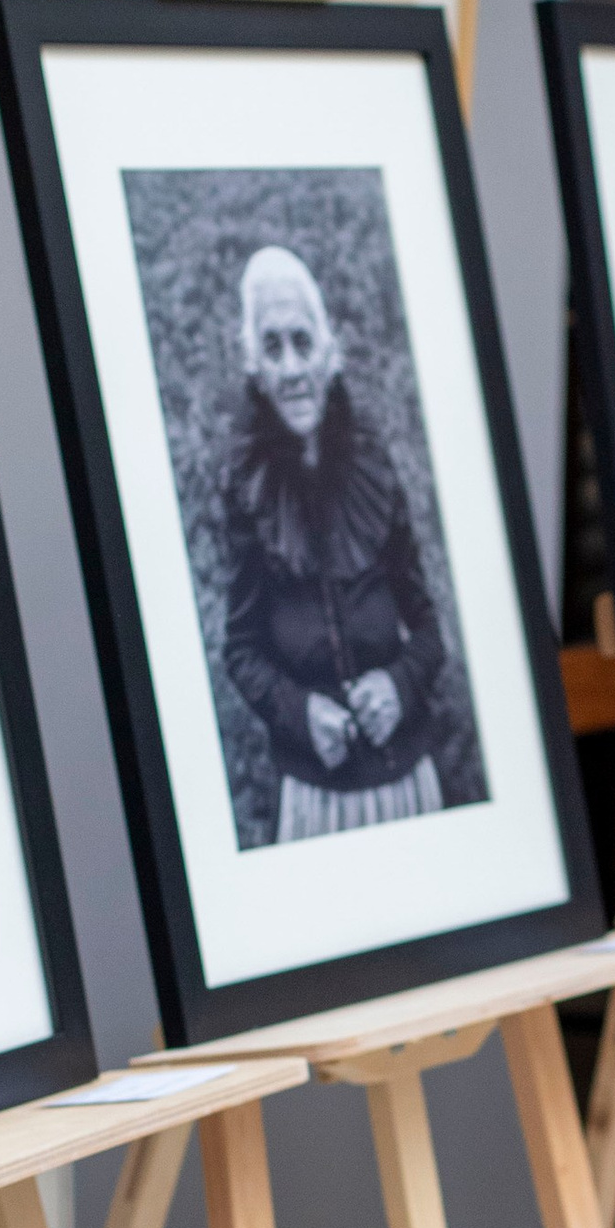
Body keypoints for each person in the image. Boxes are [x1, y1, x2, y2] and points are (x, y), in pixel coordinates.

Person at [220, 243, 455, 842]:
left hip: (408, 782)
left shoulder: (374, 470)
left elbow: (429, 629)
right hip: (315, 802)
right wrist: (301, 714)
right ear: (256, 368)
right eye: (273, 348)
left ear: (329, 355)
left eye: (303, 342)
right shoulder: (247, 492)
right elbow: (241, 649)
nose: (293, 367)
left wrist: (399, 687)